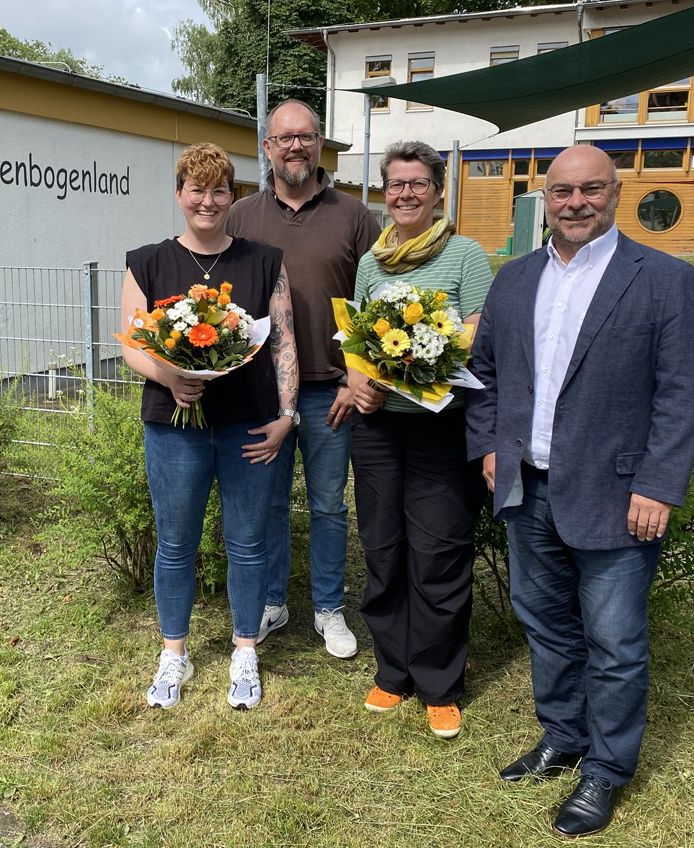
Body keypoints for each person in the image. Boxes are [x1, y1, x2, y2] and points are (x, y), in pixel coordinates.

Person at [465, 144, 694, 835]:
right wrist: (487, 446)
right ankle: (563, 736)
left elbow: (683, 394)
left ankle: (605, 770)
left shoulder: (665, 280)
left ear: (615, 192)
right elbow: (482, 375)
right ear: (546, 198)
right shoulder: (514, 280)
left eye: (591, 190)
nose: (576, 203)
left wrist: (659, 484)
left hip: (618, 492)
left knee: (613, 640)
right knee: (544, 625)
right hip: (527, 486)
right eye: (563, 192)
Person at [120, 142, 299, 711]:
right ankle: (175, 651)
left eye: (219, 190)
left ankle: (245, 647)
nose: (207, 200)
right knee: (175, 544)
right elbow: (129, 345)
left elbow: (284, 345)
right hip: (174, 426)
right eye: (196, 189)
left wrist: (287, 417)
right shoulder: (146, 261)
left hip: (248, 424)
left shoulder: (264, 261)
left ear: (232, 197)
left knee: (249, 544)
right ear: (179, 195)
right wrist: (170, 377)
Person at [348, 141, 493, 740]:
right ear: (384, 190)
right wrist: (361, 380)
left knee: (437, 555)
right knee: (383, 549)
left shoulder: (465, 257)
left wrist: (418, 366)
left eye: (417, 183)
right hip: (378, 430)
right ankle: (393, 670)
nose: (405, 193)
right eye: (395, 183)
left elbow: (479, 335)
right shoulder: (371, 262)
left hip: (440, 428)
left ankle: (438, 682)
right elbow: (354, 334)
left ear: (438, 191)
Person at [227, 99, 380, 659]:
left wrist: (354, 376)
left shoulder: (354, 215)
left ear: (320, 144)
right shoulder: (242, 216)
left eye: (306, 136)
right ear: (267, 147)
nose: (296, 146)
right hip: (260, 391)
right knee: (264, 503)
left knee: (329, 505)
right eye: (284, 137)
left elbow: (376, 303)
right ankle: (272, 602)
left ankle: (328, 607)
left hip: (330, 390)